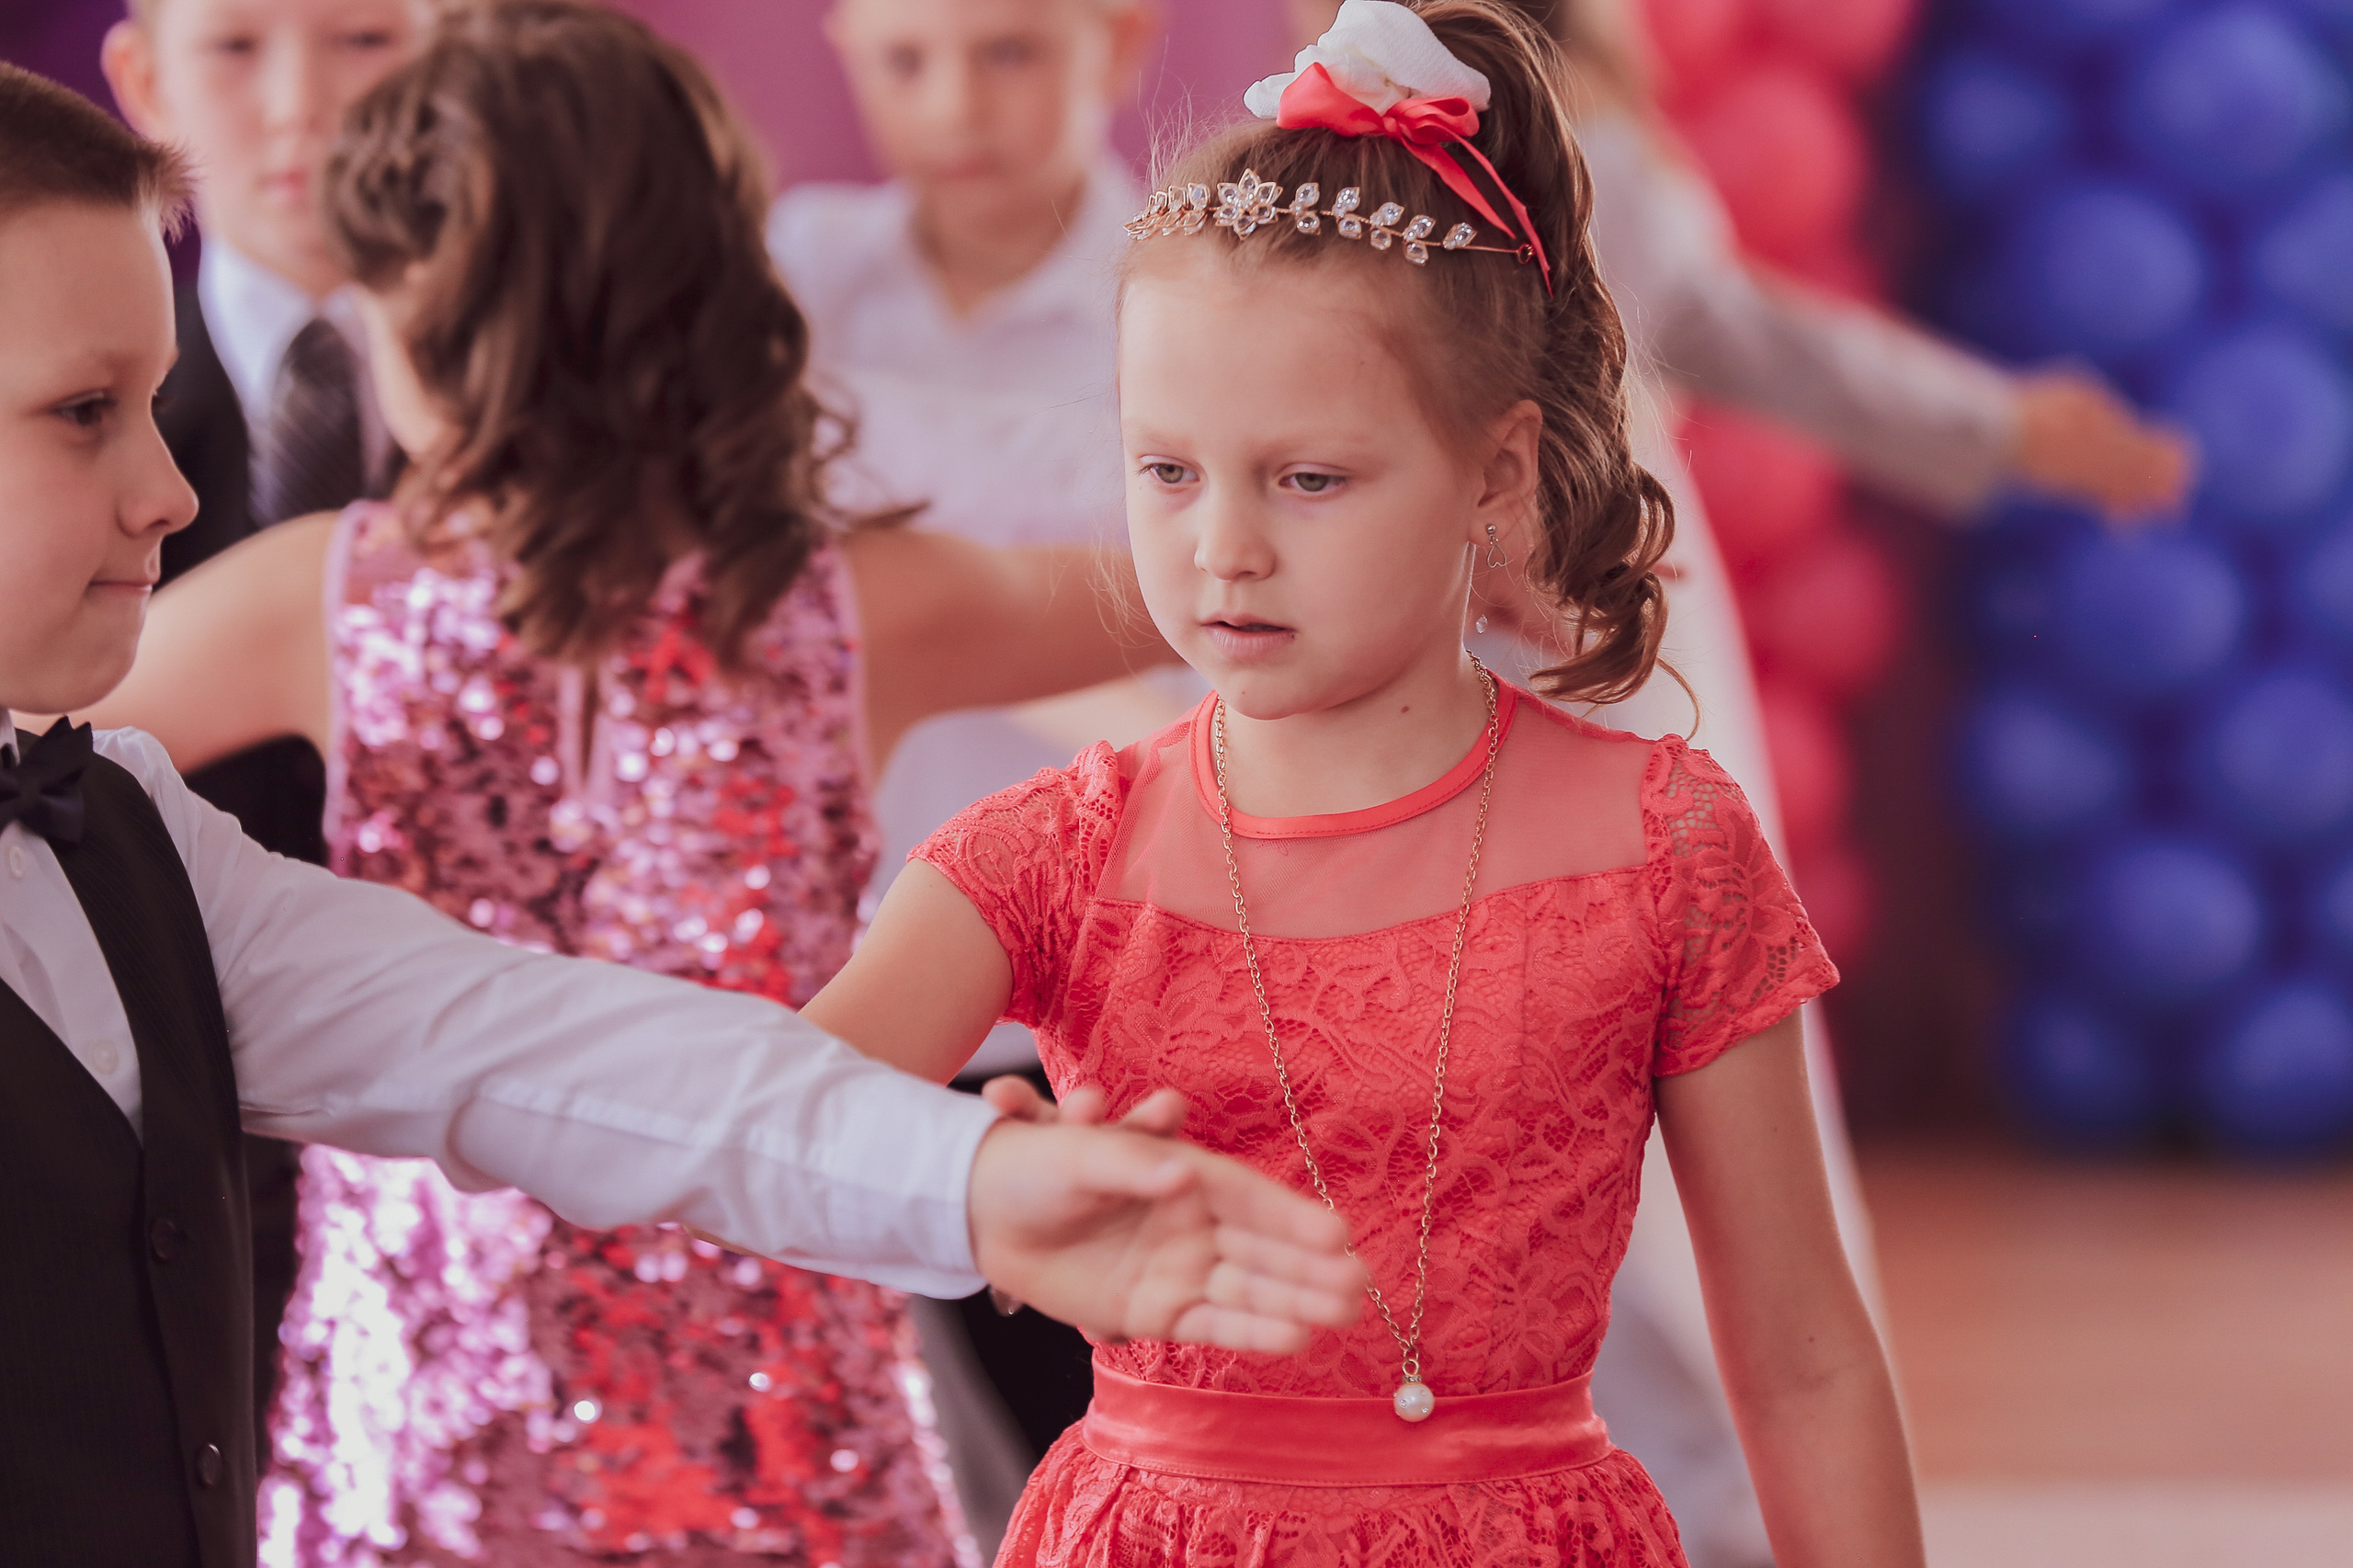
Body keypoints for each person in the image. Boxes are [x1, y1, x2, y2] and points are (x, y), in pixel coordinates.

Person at [0, 59, 1366, 1568]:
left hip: (769, 1421)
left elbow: (529, 1048)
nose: (178, 491)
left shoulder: (135, 820)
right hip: (436, 1436)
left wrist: (973, 1179)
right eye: (82, 412)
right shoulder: (336, 604)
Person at [801, 2, 1925, 1562]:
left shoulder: (1666, 838)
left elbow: (1802, 1361)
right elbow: (763, 1138)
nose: (1223, 548)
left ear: (1496, 475)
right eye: (1165, 470)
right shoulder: (1044, 852)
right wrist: (977, 1176)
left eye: (1309, 478)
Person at [1299, 6, 2192, 1562]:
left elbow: (1748, 332)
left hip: (1592, 650)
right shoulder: (1313, 123)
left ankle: (1719, 1510)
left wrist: (1999, 430)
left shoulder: (1569, 128)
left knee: (1657, 1114)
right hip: (1403, 668)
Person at [771, 0, 1177, 1527]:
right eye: (906, 57)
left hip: (1108, 979)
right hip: (845, 972)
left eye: (1009, 49)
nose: (956, 103)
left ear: (1120, 41)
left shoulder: (1193, 287)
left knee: (1117, 1461)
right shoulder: (792, 270)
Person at [98, 0, 443, 1442]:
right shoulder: (59, 398)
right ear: (142, 81)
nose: (301, 104)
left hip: (480, 1149)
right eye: (237, 46)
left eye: (362, 37)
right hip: (140, 1177)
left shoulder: (588, 416)